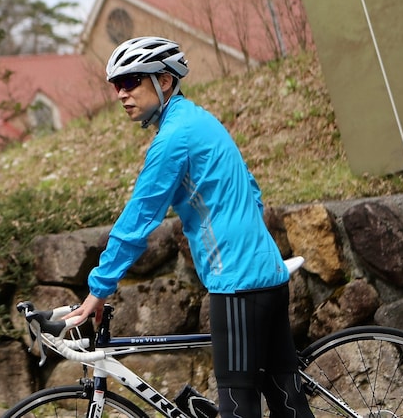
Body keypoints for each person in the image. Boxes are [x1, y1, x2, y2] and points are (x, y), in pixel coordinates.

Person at [66, 36, 313, 418]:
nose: (121, 94)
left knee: (237, 407)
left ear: (163, 81)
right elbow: (251, 188)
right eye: (116, 85)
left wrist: (98, 289)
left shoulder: (172, 140)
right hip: (268, 274)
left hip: (236, 285)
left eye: (131, 81)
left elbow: (139, 218)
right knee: (288, 402)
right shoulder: (199, 119)